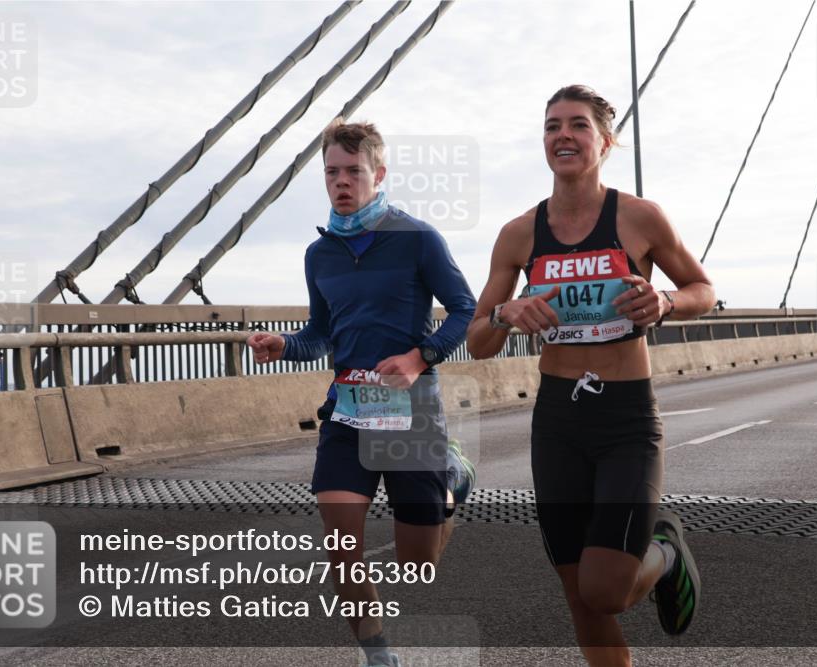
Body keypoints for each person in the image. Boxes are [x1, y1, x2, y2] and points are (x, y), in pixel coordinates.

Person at [466, 85, 716, 667]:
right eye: (552, 126)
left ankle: (666, 553)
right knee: (583, 599)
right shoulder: (519, 234)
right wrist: (507, 313)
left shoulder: (640, 217)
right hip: (557, 422)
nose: (562, 135)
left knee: (606, 587)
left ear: (605, 142)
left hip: (626, 419)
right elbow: (478, 340)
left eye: (578, 125)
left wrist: (664, 302)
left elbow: (703, 289)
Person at [247, 119, 477, 667]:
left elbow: (465, 310)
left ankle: (453, 478)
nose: (342, 182)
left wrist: (420, 357)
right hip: (348, 414)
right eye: (332, 172)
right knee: (341, 547)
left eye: (353, 171)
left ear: (379, 173)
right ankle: (378, 656)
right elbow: (322, 332)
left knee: (416, 566)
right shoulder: (318, 255)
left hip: (412, 415)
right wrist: (286, 344)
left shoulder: (418, 239)